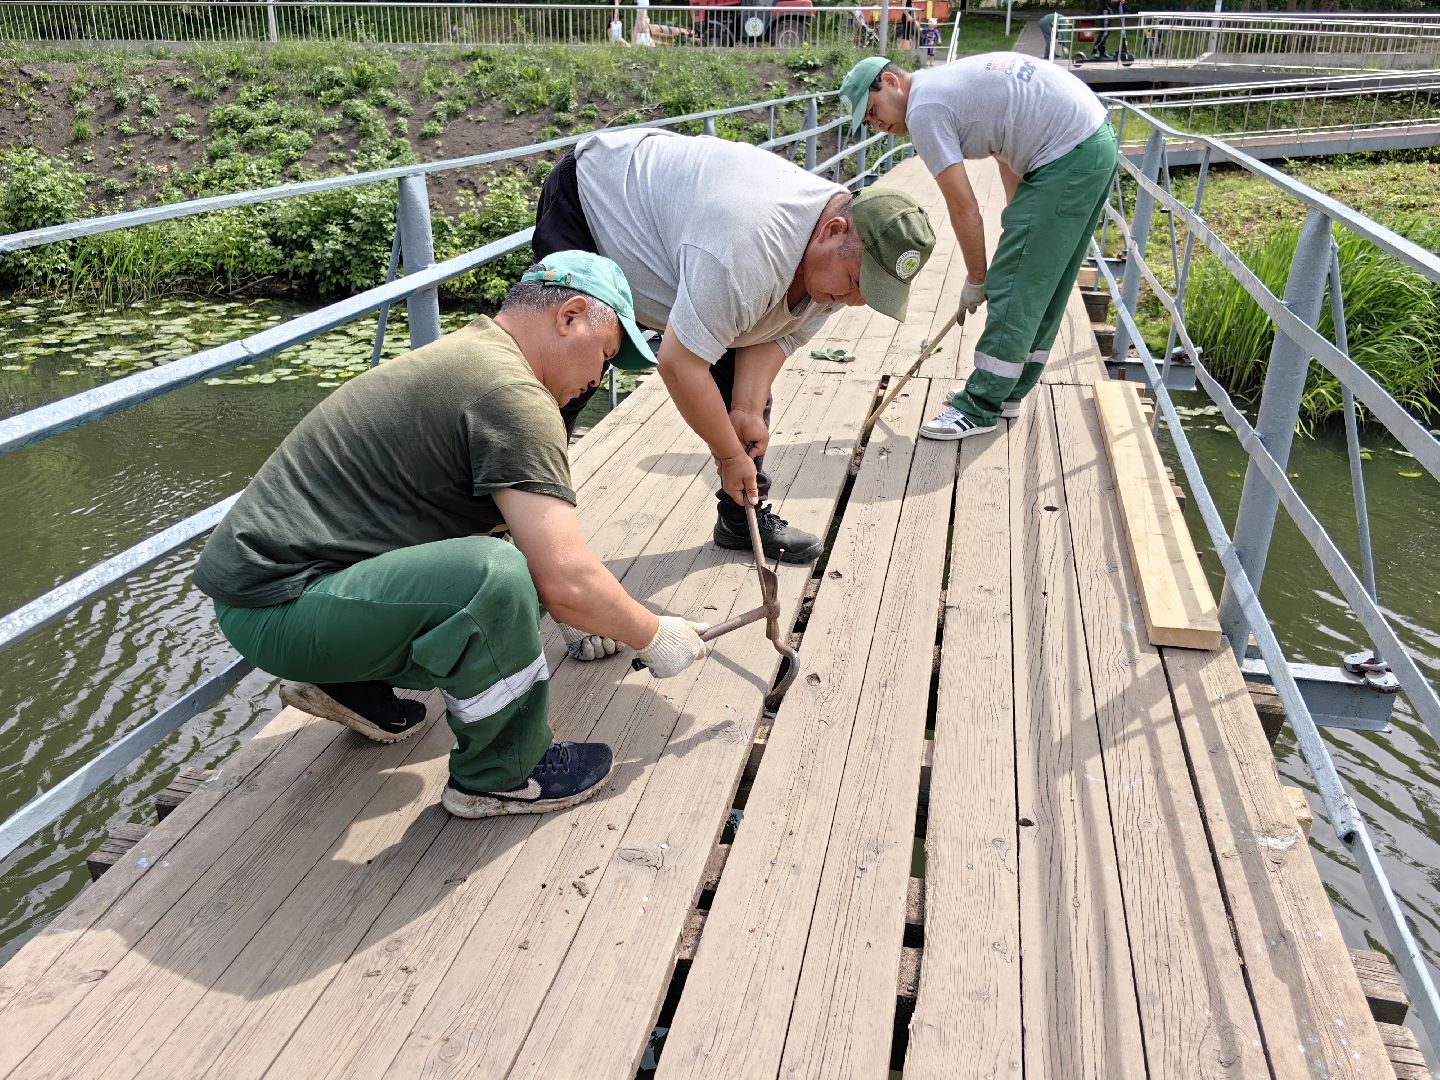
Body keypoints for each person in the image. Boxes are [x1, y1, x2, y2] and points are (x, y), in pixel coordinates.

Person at [192, 251, 710, 820]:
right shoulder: (512, 396)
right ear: (571, 316)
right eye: (606, 355)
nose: (597, 378)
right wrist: (653, 633)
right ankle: (502, 773)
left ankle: (348, 682)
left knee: (518, 570)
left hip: (279, 596)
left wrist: (585, 608)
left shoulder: (476, 354)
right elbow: (561, 576)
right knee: (496, 576)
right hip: (282, 610)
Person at [532, 127, 935, 570]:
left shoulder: (843, 255)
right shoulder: (748, 249)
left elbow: (774, 333)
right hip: (597, 200)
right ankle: (524, 533)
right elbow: (680, 365)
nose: (856, 302)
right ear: (832, 231)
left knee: (746, 405)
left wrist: (744, 407)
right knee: (563, 381)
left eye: (872, 295)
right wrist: (728, 455)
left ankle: (741, 518)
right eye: (858, 285)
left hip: (698, 250)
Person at [840, 53, 1117, 441]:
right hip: (1089, 142)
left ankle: (980, 405)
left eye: (873, 111)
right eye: (868, 123)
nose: (878, 125)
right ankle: (1007, 391)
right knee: (1038, 282)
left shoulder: (924, 110)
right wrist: (1016, 221)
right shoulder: (944, 86)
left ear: (890, 81)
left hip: (1066, 153)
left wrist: (978, 277)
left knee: (1014, 284)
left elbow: (964, 207)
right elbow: (1005, 143)